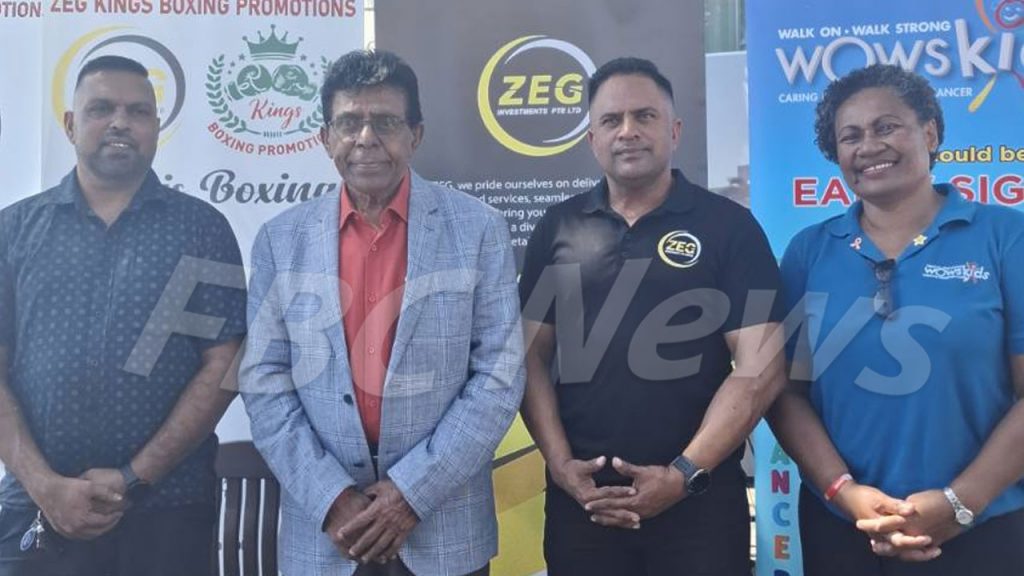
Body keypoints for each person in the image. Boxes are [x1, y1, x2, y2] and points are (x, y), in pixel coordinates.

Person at [239, 49, 525, 576]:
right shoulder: (280, 240)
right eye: (349, 123)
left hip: (443, 529)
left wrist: (412, 493)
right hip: (327, 533)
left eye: (386, 123)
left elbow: (499, 375)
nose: (366, 138)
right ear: (325, 137)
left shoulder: (478, 229)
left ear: (416, 135)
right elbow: (263, 380)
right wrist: (330, 497)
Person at [518, 56, 786, 576]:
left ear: (675, 130)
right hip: (584, 507)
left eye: (645, 116)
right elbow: (529, 359)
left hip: (699, 507)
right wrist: (561, 466)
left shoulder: (730, 227)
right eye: (611, 120)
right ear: (592, 139)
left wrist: (684, 474)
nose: (628, 132)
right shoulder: (557, 227)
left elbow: (762, 367)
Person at [768, 63, 1024, 575]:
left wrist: (960, 502)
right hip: (845, 530)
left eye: (886, 127)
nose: (869, 146)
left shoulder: (1005, 237)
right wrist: (845, 493)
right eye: (850, 136)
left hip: (986, 526)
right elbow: (786, 393)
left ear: (930, 133)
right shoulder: (807, 252)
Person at [0, 55, 246, 575]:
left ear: (156, 126)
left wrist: (134, 477)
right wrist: (44, 485)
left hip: (168, 511)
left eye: (137, 111)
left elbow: (223, 364)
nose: (120, 122)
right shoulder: (13, 233)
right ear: (71, 124)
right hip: (36, 509)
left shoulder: (201, 230)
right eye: (101, 109)